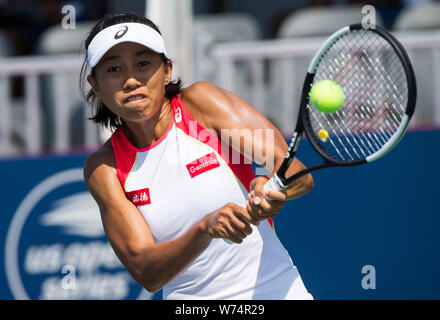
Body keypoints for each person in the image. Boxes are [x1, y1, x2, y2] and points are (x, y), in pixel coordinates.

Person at [82, 12, 314, 300]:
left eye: (143, 64)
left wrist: (270, 188)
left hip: (276, 291)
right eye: (114, 69)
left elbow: (294, 170)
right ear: (96, 84)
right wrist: (205, 228)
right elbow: (147, 272)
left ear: (167, 70)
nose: (131, 80)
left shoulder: (201, 103)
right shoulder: (104, 168)